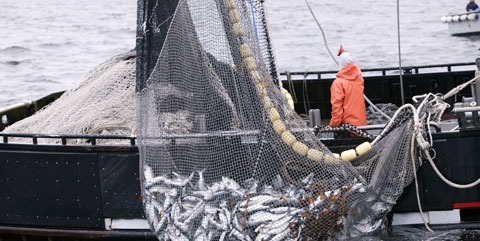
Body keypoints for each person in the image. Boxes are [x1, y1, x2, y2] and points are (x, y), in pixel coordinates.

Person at [329, 45, 367, 128]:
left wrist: (333, 125)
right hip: (361, 125)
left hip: (346, 127)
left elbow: (337, 107)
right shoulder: (359, 80)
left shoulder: (338, 83)